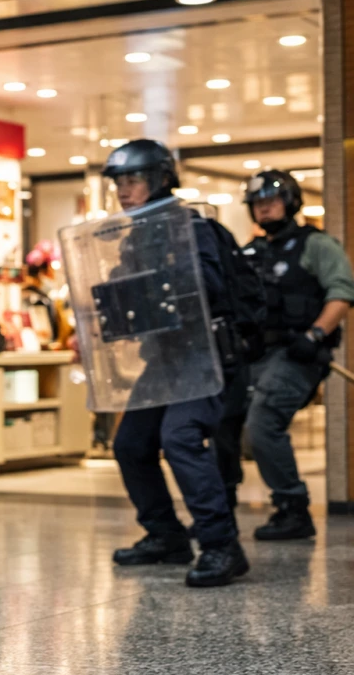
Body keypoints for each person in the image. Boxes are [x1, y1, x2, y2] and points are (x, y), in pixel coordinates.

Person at [102, 139, 247, 587]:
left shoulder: (191, 227)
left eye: (134, 180)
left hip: (205, 357)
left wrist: (158, 287)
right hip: (163, 359)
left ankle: (222, 546)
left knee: (180, 438)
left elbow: (209, 288)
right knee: (130, 444)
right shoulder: (135, 237)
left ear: (161, 179)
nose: (124, 190)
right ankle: (166, 536)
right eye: (119, 182)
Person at [229, 171, 354, 540]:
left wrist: (315, 334)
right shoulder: (251, 252)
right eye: (257, 204)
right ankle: (218, 507)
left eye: (271, 201)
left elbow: (342, 293)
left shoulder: (316, 245)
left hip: (298, 353)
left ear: (290, 202)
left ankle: (293, 508)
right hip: (256, 354)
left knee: (264, 421)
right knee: (222, 419)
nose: (264, 208)